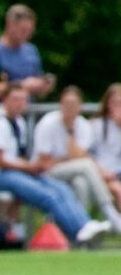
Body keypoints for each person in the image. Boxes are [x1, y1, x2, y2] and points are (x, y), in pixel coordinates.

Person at [0, 88, 108, 244]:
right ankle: (78, 232)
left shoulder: (19, 122)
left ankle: (86, 224)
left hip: (16, 171)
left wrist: (32, 167)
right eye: (15, 99)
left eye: (24, 100)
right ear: (4, 100)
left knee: (62, 189)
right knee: (48, 196)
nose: (20, 104)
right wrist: (28, 168)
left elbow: (18, 156)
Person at [32, 86, 121, 229]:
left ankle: (81, 230)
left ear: (80, 106)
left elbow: (77, 156)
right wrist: (70, 148)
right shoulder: (48, 123)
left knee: (81, 183)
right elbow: (44, 162)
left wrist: (70, 131)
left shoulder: (83, 125)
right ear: (60, 104)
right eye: (67, 103)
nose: (70, 107)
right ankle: (110, 213)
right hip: (46, 173)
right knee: (85, 165)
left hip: (73, 170)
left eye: (74, 104)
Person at [0, 4, 54, 101]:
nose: (27, 35)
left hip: (27, 114)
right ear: (10, 25)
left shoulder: (31, 51)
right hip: (0, 113)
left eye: (30, 31)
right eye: (23, 30)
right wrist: (20, 86)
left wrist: (43, 85)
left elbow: (39, 89)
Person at [93, 84, 121, 176]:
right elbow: (86, 155)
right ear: (108, 104)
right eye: (116, 103)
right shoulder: (96, 125)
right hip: (103, 173)